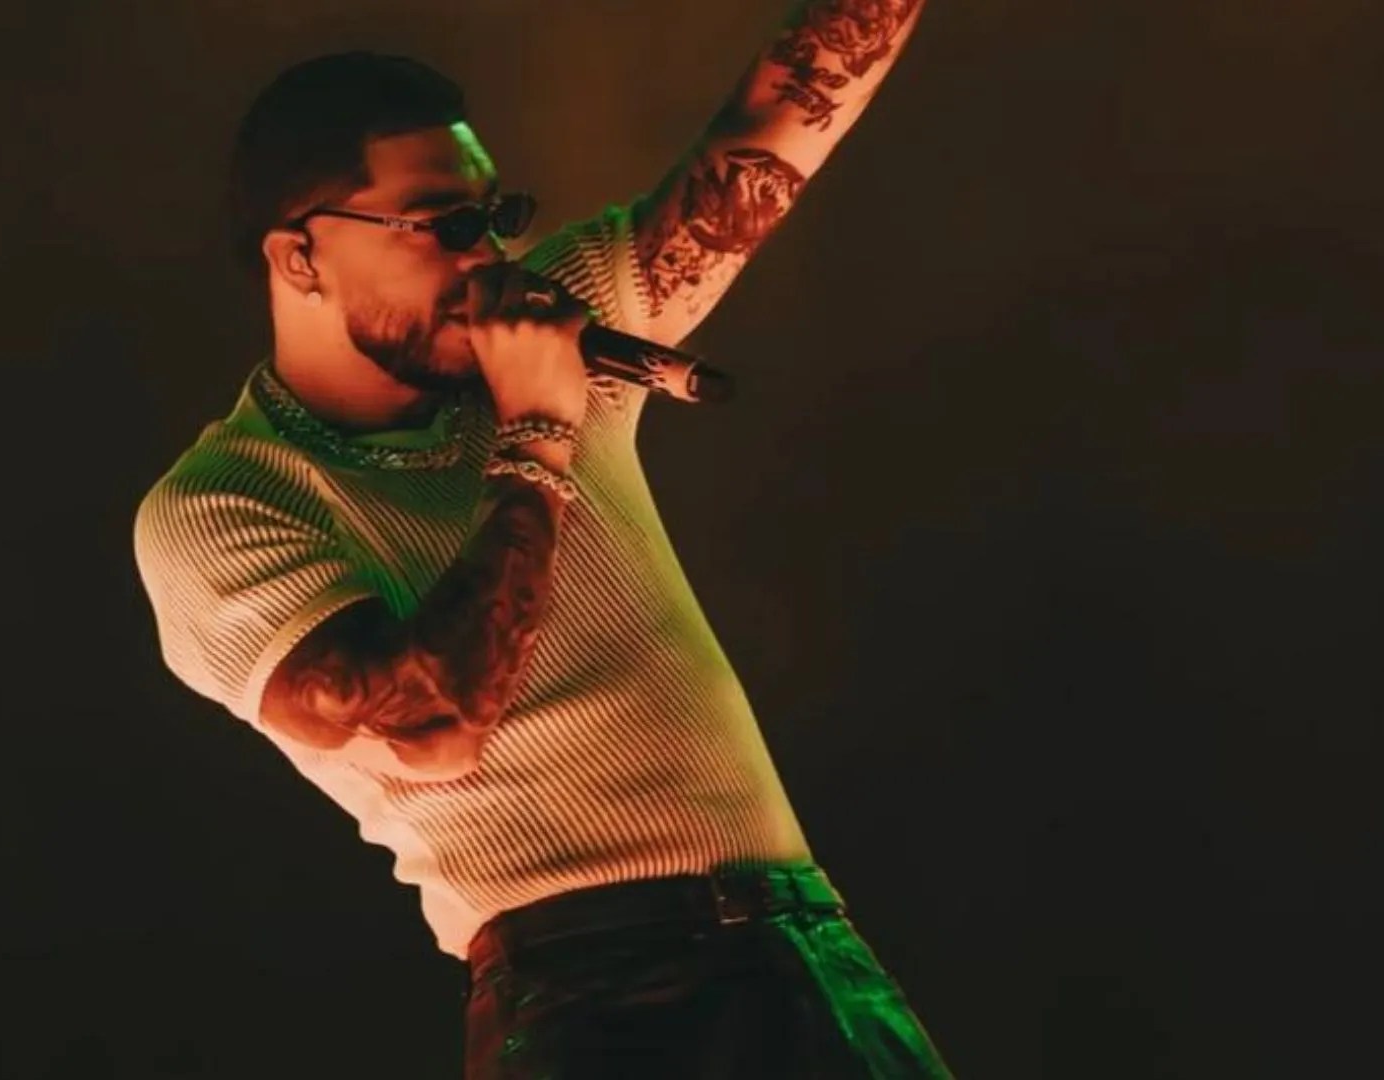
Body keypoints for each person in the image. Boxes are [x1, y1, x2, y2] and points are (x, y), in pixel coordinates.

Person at [133, 3, 952, 1075]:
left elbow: (774, 121)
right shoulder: (223, 506)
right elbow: (437, 722)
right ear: (299, 257)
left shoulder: (550, 332)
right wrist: (534, 433)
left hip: (806, 943)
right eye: (444, 225)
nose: (490, 258)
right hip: (599, 994)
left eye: (497, 216)